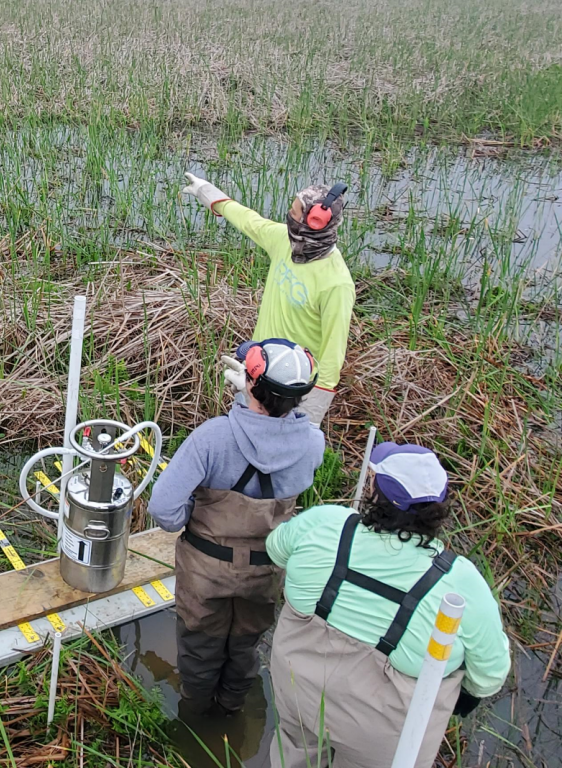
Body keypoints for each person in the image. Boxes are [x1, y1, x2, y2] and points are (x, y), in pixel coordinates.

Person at [265, 443, 511, 768]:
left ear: (375, 493)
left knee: (293, 752)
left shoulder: (325, 523)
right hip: (385, 738)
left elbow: (275, 549)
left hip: (299, 695)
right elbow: (490, 676)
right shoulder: (461, 583)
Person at [147, 339, 325, 719]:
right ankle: (231, 713)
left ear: (250, 384)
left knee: (200, 649)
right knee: (245, 646)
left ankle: (195, 721)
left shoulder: (214, 437)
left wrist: (195, 512)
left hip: (206, 573)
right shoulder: (313, 443)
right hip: (266, 569)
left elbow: (163, 509)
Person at [181, 174, 356, 427]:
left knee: (277, 452)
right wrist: (209, 194)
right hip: (256, 370)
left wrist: (310, 418)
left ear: (315, 222)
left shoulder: (336, 284)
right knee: (240, 434)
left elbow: (332, 357)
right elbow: (250, 221)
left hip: (290, 391)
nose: (288, 217)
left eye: (294, 213)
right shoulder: (284, 242)